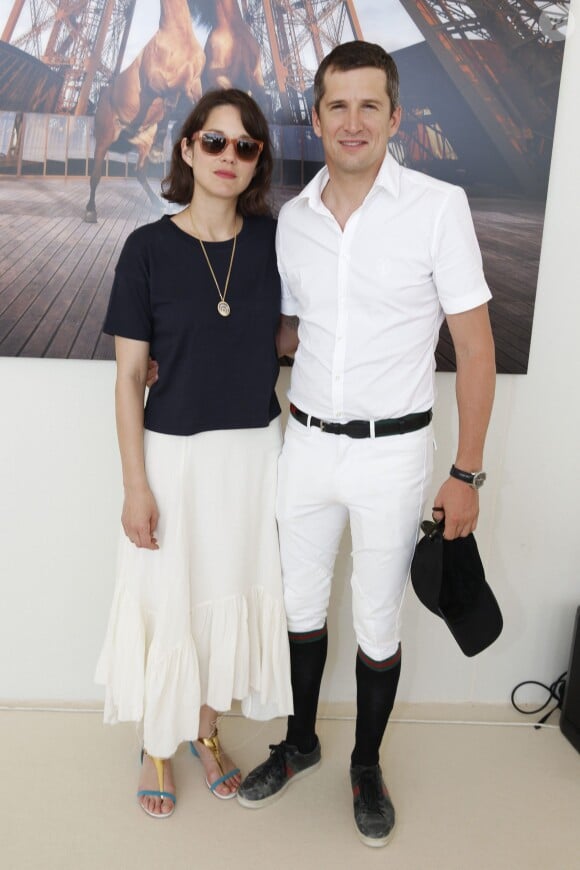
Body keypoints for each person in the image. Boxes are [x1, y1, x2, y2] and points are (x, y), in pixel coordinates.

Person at [236, 41, 496, 848]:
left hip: (393, 455)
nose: (352, 121)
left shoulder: (437, 206)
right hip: (305, 445)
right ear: (315, 117)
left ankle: (365, 764)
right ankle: (302, 743)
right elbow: (288, 333)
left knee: (378, 623)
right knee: (302, 609)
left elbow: (476, 347)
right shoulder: (292, 223)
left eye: (368, 105)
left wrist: (466, 472)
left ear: (395, 118)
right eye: (336, 105)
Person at [95, 89, 293, 819]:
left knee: (227, 595)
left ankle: (203, 730)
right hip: (172, 457)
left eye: (245, 147)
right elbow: (126, 376)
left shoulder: (276, 241)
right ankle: (157, 740)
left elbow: (296, 333)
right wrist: (133, 486)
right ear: (186, 150)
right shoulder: (147, 248)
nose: (229, 158)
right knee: (166, 597)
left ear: (257, 161)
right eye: (215, 142)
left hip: (252, 455)